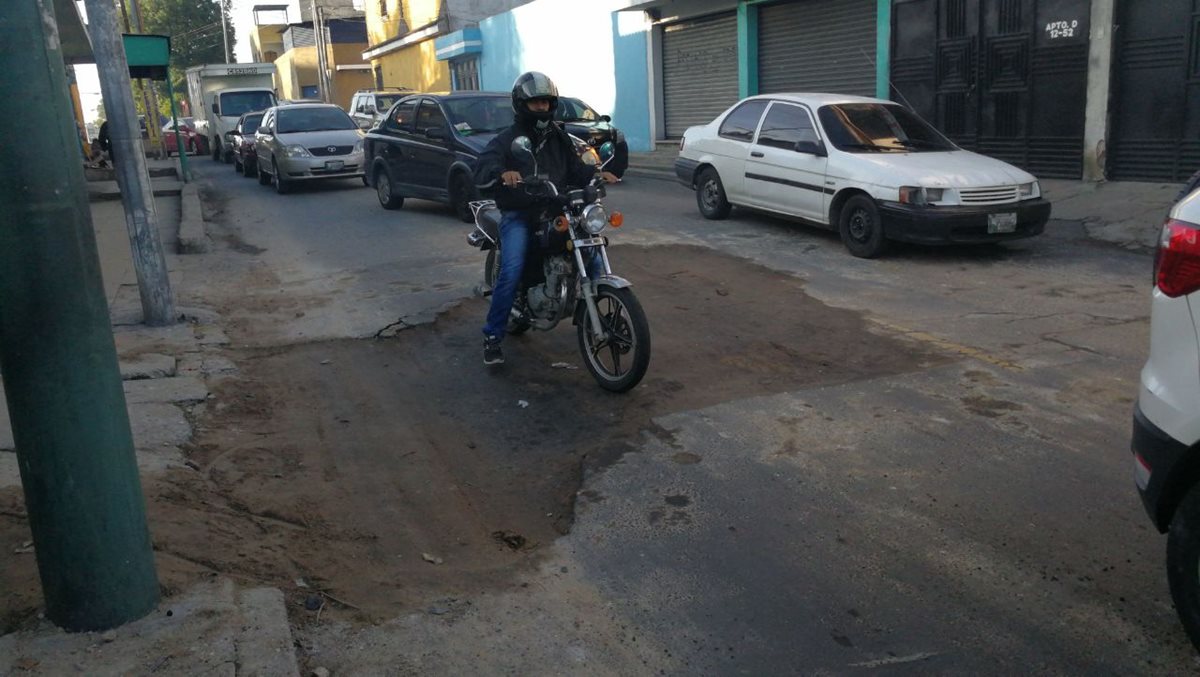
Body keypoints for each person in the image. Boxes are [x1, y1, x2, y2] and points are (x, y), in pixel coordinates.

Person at [474, 71, 619, 366]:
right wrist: (502, 173)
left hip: (556, 208)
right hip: (521, 212)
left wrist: (594, 174)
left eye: (546, 102)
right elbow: (485, 163)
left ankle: (597, 311)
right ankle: (492, 336)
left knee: (590, 251)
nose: (541, 108)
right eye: (535, 103)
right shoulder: (508, 139)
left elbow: (576, 167)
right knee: (512, 268)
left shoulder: (560, 137)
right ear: (521, 104)